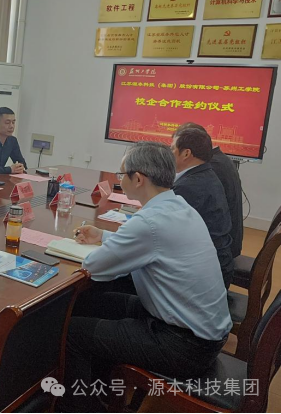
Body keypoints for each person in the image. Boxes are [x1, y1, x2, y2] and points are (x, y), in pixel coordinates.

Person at [61, 142, 231, 412]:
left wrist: (104, 246)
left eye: (121, 174)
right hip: (199, 330)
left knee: (74, 333)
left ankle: (84, 407)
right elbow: (150, 244)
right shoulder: (179, 206)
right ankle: (104, 392)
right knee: (92, 303)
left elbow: (94, 266)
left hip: (184, 345)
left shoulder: (150, 222)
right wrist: (103, 236)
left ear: (138, 179)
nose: (119, 180)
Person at [171, 127, 234, 288]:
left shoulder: (188, 187)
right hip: (217, 262)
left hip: (205, 275)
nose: (169, 154)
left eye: (172, 149)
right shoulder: (205, 174)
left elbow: (167, 235)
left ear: (186, 153)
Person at [174, 122, 244, 259]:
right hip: (226, 242)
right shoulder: (219, 160)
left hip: (219, 252)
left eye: (172, 148)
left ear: (187, 151)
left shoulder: (207, 169)